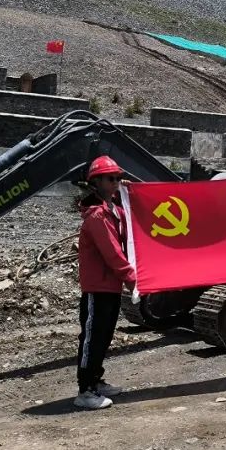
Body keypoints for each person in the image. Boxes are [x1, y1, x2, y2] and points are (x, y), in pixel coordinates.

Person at [74, 155, 137, 410]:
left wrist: (135, 194)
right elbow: (113, 253)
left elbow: (134, 222)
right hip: (97, 288)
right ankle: (85, 390)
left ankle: (96, 382)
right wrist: (132, 278)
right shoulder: (98, 217)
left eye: (118, 178)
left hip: (110, 287)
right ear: (96, 182)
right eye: (111, 179)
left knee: (104, 337)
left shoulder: (115, 212)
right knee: (92, 338)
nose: (116, 182)